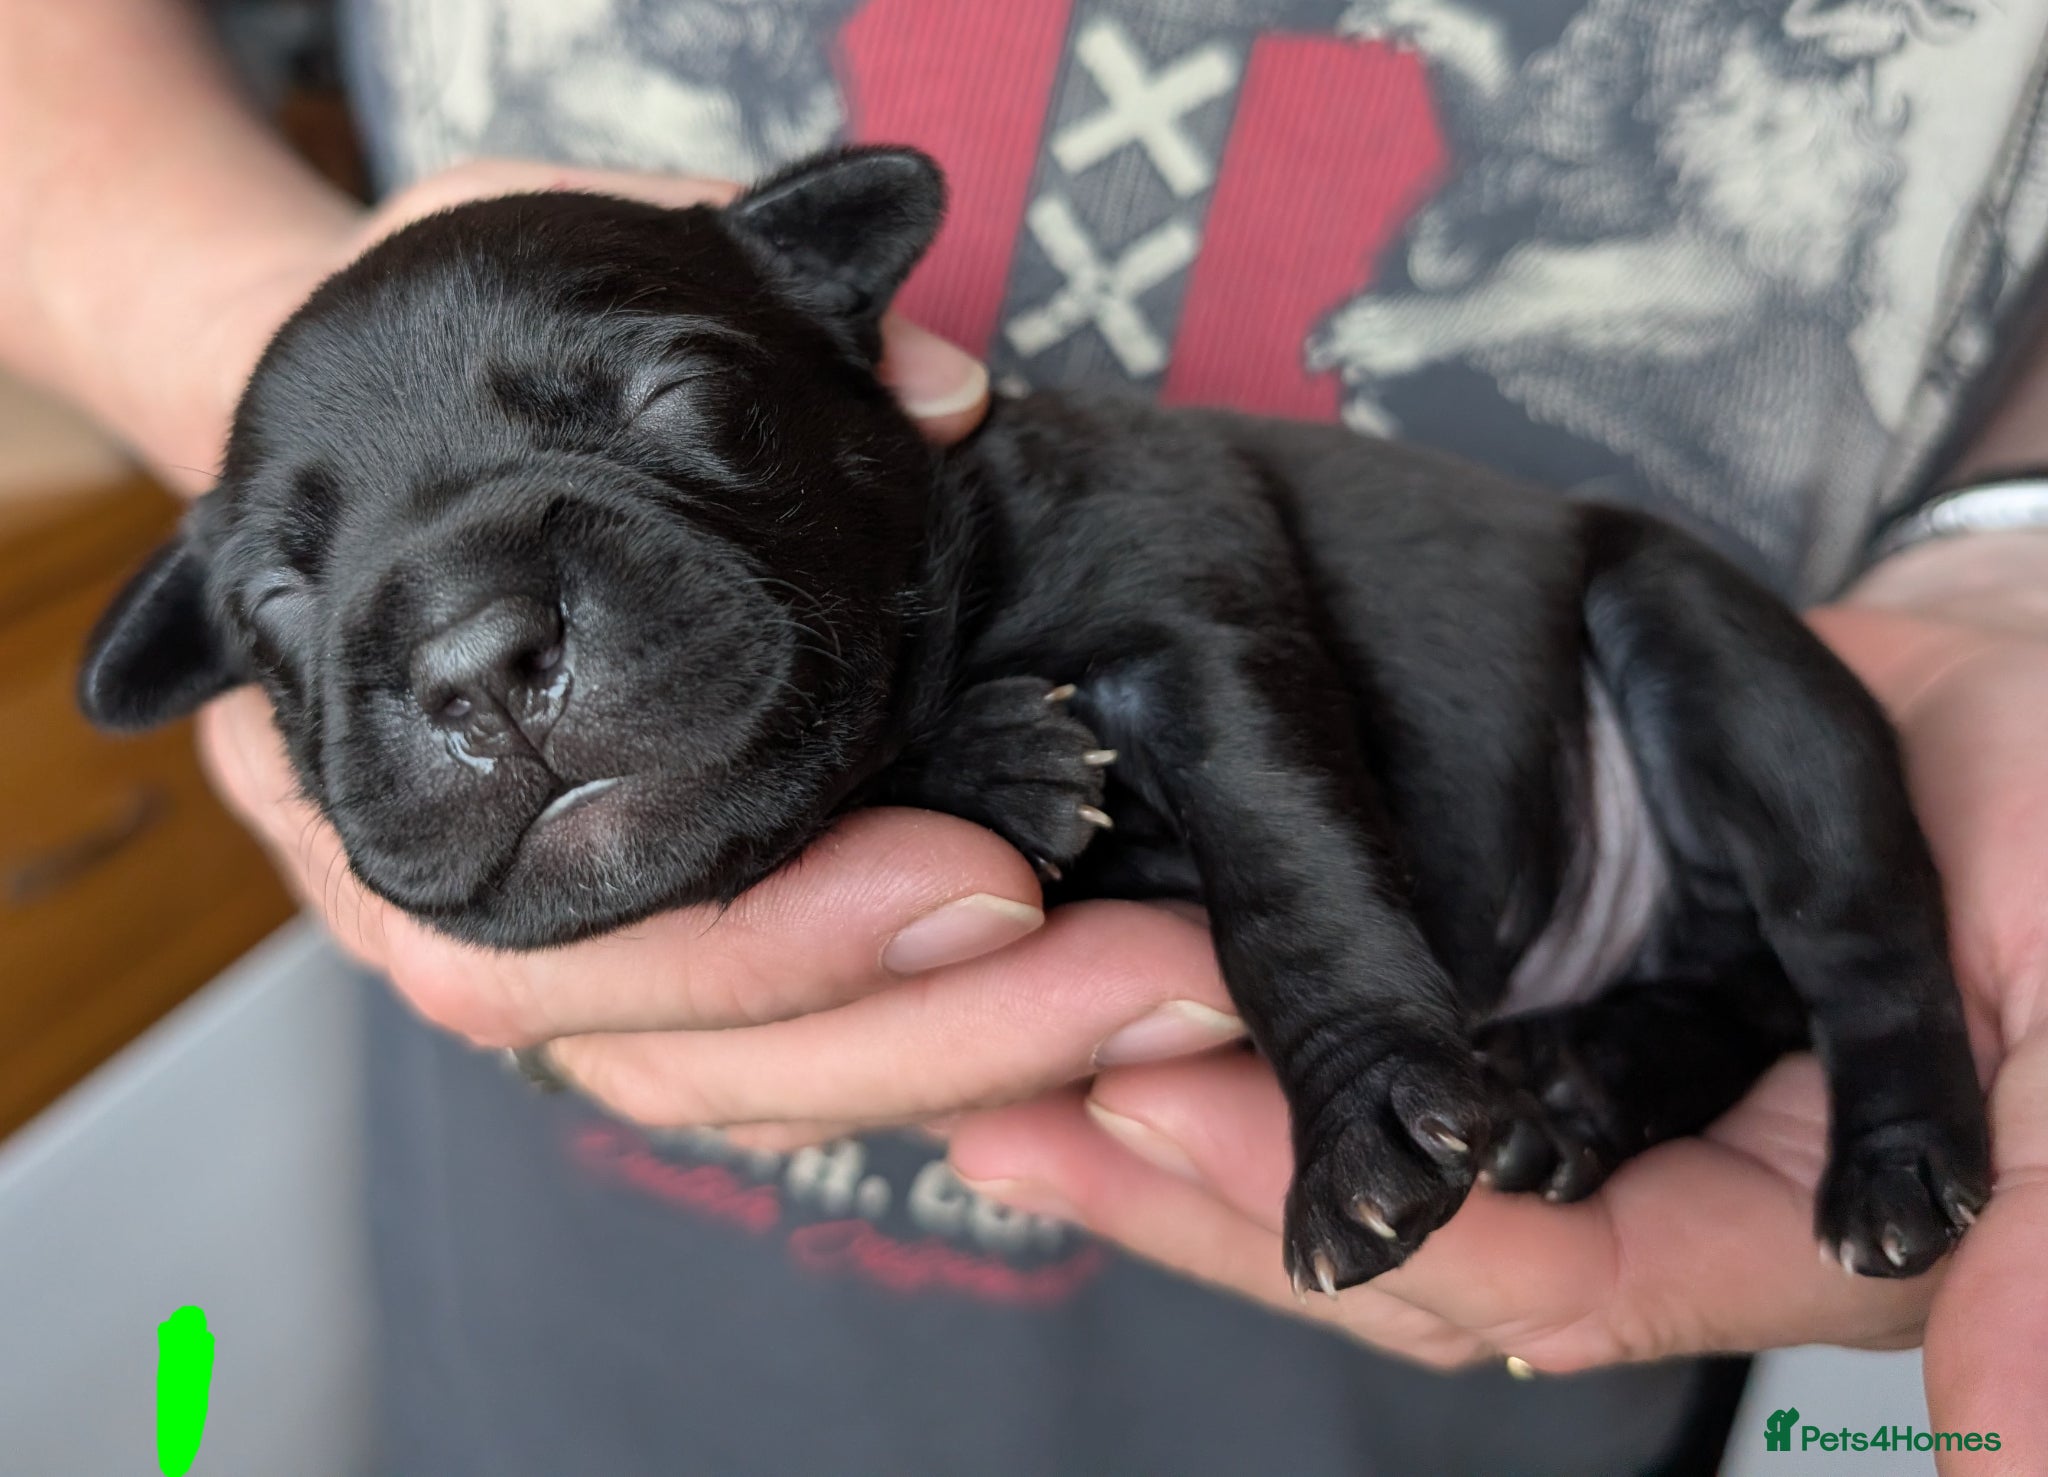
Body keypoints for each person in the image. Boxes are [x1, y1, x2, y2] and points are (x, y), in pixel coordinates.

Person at [3, 1, 2044, 1471]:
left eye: (663, 413)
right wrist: (209, 316)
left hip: (1572, 899)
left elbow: (1183, 682)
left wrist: (2011, 557)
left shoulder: (1059, 504)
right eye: (289, 597)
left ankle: (1884, 1060)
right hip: (599, 1356)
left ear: (840, 325)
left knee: (1720, 671)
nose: (464, 650)